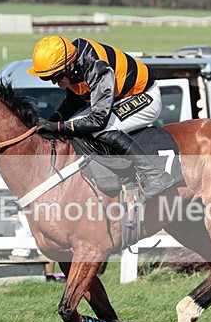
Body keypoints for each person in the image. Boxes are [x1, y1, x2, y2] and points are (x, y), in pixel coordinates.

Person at [29, 35, 176, 201]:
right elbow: (74, 100)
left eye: (56, 77)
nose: (54, 83)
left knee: (101, 129)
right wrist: (53, 120)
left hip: (145, 96)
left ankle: (154, 174)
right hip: (120, 98)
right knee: (75, 126)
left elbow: (98, 120)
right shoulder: (75, 63)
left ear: (69, 66)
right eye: (47, 78)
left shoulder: (96, 67)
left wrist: (57, 127)